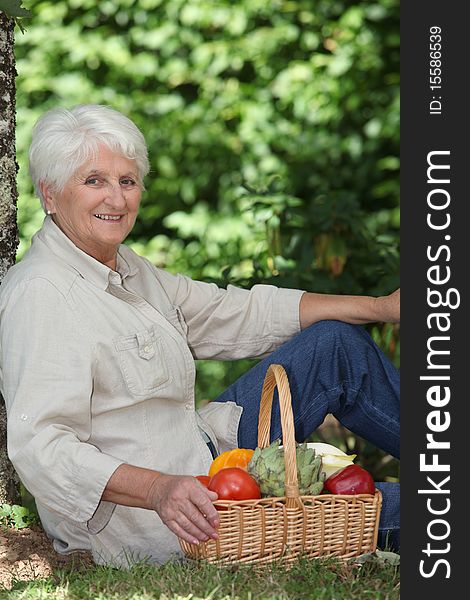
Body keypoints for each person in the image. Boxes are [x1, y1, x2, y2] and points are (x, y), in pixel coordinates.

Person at [0, 105, 400, 568]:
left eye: (127, 181)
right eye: (94, 181)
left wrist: (381, 309)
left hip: (210, 455)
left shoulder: (125, 267)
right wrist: (158, 489)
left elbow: (231, 312)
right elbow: (42, 446)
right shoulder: (42, 294)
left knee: (334, 344)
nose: (116, 199)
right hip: (170, 519)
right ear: (50, 194)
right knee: (409, 511)